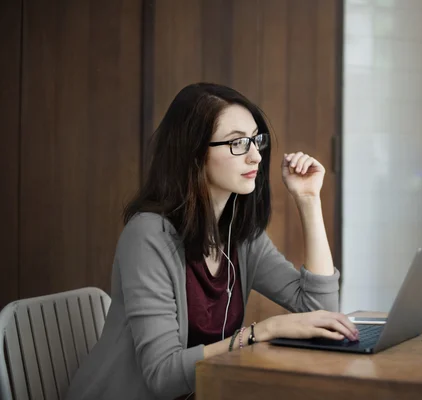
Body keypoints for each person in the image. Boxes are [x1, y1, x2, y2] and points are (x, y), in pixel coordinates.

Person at [65, 83, 358, 400]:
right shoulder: (148, 236)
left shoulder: (240, 234)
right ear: (194, 154)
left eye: (255, 140)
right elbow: (162, 377)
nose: (255, 156)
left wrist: (308, 199)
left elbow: (323, 314)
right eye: (237, 143)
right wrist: (264, 332)